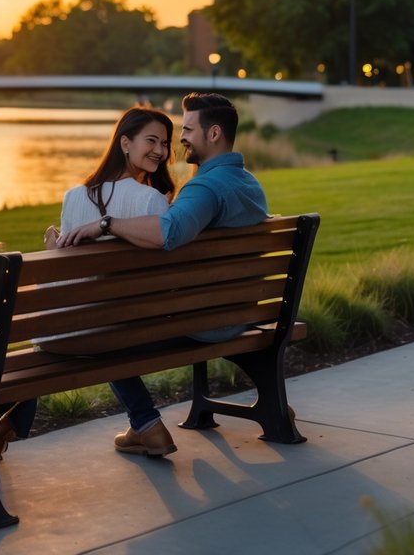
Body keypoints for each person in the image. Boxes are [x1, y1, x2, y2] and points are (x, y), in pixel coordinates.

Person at [57, 92, 267, 457]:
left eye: (186, 130)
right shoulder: (248, 183)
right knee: (100, 322)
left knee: (103, 332)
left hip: (205, 320)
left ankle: (146, 423)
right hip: (242, 312)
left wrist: (106, 222)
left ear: (213, 133)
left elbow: (167, 232)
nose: (179, 141)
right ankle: (146, 424)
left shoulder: (205, 188)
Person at [0, 106, 177, 460]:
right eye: (152, 141)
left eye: (165, 144)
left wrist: (52, 253)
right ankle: (148, 425)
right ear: (125, 142)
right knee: (98, 328)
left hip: (71, 332)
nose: (161, 151)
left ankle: (2, 429)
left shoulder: (74, 197)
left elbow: (68, 282)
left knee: (59, 338)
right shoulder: (151, 200)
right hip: (127, 329)